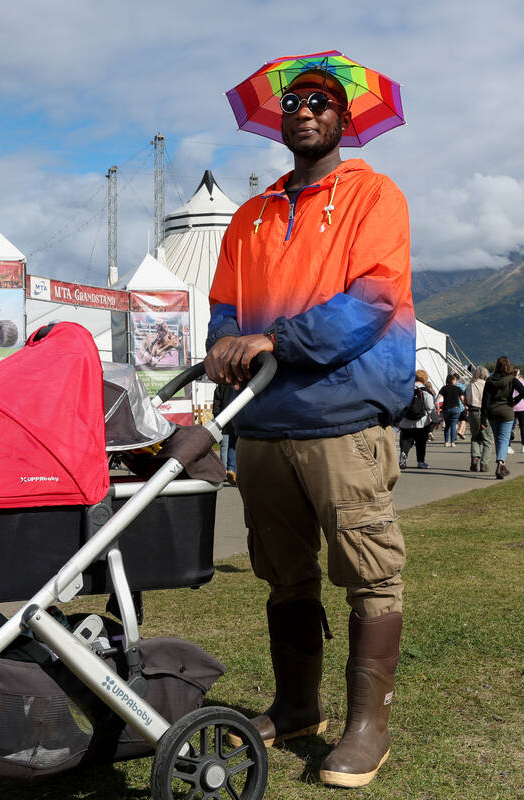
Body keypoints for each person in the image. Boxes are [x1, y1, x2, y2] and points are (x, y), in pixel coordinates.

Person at [204, 65, 411, 788]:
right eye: (293, 101)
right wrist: (224, 345)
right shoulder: (249, 215)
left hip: (343, 417)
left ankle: (367, 726)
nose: (304, 111)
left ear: (344, 118)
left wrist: (276, 342)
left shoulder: (374, 197)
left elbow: (374, 298)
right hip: (263, 425)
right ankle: (296, 705)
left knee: (368, 572)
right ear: (278, 118)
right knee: (283, 573)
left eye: (321, 101)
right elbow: (225, 306)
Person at [482, 356, 524, 479]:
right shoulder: (511, 379)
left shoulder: (489, 380)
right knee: (504, 438)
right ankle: (501, 462)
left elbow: (485, 401)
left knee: (497, 438)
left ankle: (502, 464)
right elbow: (523, 391)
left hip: (492, 411)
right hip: (506, 411)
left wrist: (482, 419)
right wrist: (514, 401)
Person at [399, 370, 436, 468]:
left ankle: (403, 454)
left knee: (406, 440)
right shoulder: (425, 391)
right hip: (421, 422)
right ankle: (420, 462)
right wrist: (435, 420)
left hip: (405, 421)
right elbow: (430, 407)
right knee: (421, 443)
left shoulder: (405, 389)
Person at [465, 365, 494, 472]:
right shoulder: (486, 384)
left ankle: (475, 457)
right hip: (484, 411)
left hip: (472, 411)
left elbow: (466, 399)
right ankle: (484, 463)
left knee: (475, 437)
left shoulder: (469, 385)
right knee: (488, 439)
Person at [438, 373, 464, 447]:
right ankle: (452, 442)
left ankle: (446, 442)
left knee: (447, 425)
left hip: (446, 409)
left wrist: (435, 403)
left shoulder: (444, 388)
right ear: (453, 380)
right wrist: (465, 406)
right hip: (456, 409)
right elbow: (462, 399)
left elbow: (438, 397)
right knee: (453, 424)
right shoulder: (458, 388)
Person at [511, 370, 524, 453]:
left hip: (512, 407)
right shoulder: (521, 381)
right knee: (522, 427)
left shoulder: (509, 381)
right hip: (521, 407)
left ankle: (508, 446)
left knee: (510, 427)